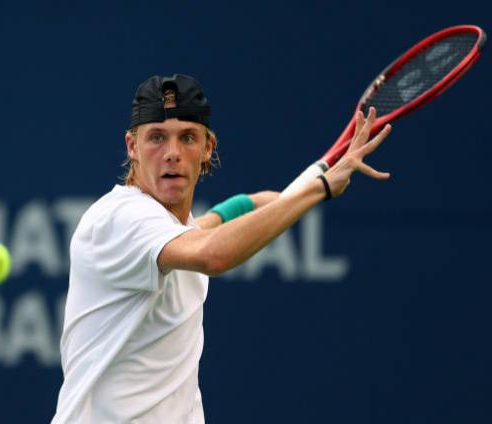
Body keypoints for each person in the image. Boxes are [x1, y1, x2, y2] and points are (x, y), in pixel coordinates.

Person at [52, 74, 391, 423]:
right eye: (156, 138)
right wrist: (320, 187)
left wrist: (249, 204)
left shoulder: (172, 228)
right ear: (132, 147)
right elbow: (213, 253)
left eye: (187, 138)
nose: (172, 153)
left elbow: (206, 226)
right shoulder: (121, 218)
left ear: (207, 148)